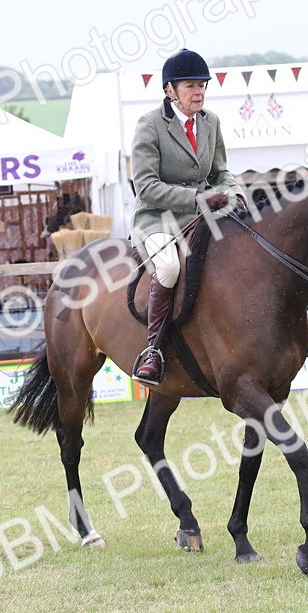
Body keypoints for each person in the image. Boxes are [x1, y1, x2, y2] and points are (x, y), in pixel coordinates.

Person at [130, 49, 244, 385]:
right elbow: (146, 186)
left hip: (203, 215)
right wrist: (199, 197)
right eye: (191, 86)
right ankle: (153, 351)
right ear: (170, 90)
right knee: (168, 267)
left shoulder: (210, 122)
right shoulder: (150, 125)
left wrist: (234, 194)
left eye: (202, 86)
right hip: (157, 218)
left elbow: (221, 171)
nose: (199, 93)